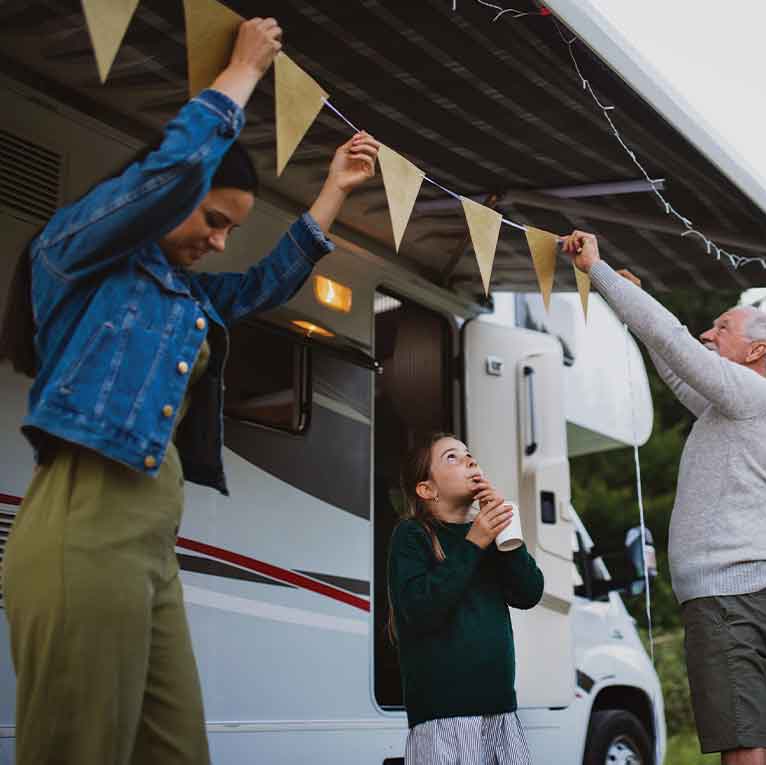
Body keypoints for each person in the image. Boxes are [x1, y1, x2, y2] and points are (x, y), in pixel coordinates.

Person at [0, 18, 380, 765]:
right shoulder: (79, 253)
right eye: (214, 220)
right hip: (87, 522)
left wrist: (333, 189)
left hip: (152, 540)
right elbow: (172, 173)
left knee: (179, 751)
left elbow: (267, 281)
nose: (219, 241)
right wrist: (241, 73)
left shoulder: (182, 295)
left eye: (229, 229)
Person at [561, 231, 766, 765]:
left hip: (731, 595)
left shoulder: (759, 396)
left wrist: (597, 271)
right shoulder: (731, 407)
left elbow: (677, 343)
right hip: (733, 594)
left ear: (757, 350)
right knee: (749, 731)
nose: (707, 333)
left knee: (742, 742)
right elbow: (674, 360)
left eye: (722, 327)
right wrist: (627, 301)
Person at [387, 434, 544, 765]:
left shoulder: (487, 535)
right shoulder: (412, 535)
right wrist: (474, 543)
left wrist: (505, 535)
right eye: (452, 458)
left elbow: (529, 593)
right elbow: (420, 610)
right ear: (427, 489)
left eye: (470, 455)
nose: (470, 460)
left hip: (500, 711)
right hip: (444, 716)